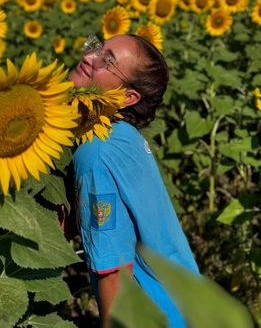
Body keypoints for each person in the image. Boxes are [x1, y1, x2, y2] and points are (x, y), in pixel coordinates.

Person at [66, 33, 199, 328]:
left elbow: (114, 271)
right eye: (97, 48)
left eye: (106, 61)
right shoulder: (123, 136)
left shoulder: (97, 152)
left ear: (128, 98)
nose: (89, 57)